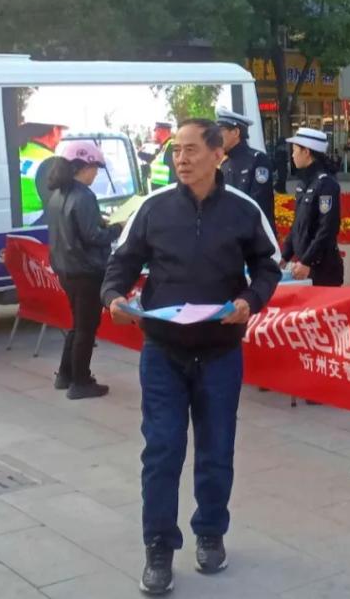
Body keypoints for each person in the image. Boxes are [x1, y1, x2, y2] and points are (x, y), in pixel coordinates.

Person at [101, 119, 280, 595]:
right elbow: (121, 262)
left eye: (191, 149)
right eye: (176, 150)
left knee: (216, 449)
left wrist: (250, 300)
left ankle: (210, 533)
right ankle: (159, 546)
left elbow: (269, 265)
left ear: (218, 154)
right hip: (163, 350)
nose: (181, 159)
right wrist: (114, 297)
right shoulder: (154, 208)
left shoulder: (243, 209)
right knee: (161, 450)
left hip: (220, 352)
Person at [44, 140, 122, 400]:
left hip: (66, 268)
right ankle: (81, 381)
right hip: (86, 270)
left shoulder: (57, 194)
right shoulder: (84, 195)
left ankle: (65, 375)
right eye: (94, 168)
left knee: (77, 324)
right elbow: (93, 236)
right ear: (82, 167)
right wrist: (117, 228)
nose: (95, 174)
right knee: (86, 327)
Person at [281, 127, 343, 287]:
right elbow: (298, 226)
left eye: (295, 150)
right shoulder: (303, 183)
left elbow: (327, 229)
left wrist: (307, 261)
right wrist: (284, 256)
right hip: (305, 266)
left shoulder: (326, 184)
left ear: (306, 152)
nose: (292, 155)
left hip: (323, 270)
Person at [216, 108, 276, 233]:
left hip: (255, 235)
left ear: (236, 132)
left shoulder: (258, 160)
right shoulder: (225, 164)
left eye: (220, 130)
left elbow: (258, 204)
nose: (217, 136)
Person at [18, 115, 68, 225]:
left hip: (11, 229)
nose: (61, 137)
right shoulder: (51, 161)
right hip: (38, 230)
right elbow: (61, 208)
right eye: (60, 131)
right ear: (55, 130)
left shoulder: (16, 153)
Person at [145, 121, 175, 190]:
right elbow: (155, 160)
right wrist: (141, 154)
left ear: (159, 131)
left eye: (155, 131)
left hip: (167, 192)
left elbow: (175, 173)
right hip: (160, 191)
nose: (154, 134)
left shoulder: (171, 146)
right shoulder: (163, 147)